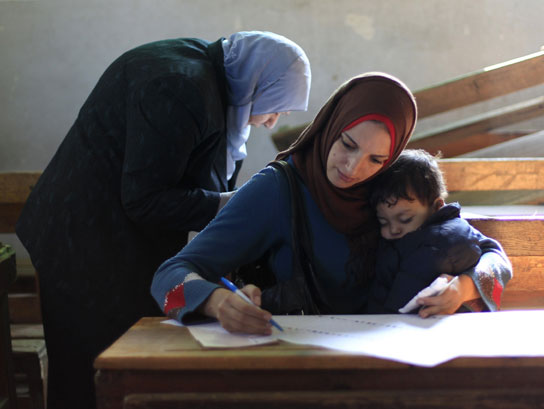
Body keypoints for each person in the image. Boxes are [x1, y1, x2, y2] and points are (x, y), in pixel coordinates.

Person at [15, 31, 311, 409]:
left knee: (118, 364)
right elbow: (145, 199)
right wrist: (228, 206)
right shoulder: (181, 87)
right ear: (258, 80)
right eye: (278, 105)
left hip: (108, 233)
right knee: (93, 366)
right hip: (85, 239)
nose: (272, 122)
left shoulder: (214, 78)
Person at [151, 72, 513, 335]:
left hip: (394, 361)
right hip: (300, 362)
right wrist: (216, 302)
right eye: (348, 144)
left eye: (376, 159)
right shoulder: (279, 189)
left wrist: (461, 289)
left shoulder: (391, 189)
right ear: (331, 125)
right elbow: (169, 274)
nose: (353, 169)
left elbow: (491, 254)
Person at [367, 149, 511, 315]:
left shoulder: (443, 239)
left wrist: (464, 287)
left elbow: (497, 259)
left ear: (437, 207)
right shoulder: (397, 239)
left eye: (405, 219)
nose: (393, 229)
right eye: (383, 222)